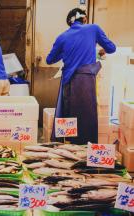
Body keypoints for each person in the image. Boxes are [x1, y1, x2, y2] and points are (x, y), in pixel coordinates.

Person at [47, 8, 116, 145]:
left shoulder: (63, 37)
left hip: (68, 82)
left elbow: (49, 60)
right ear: (84, 19)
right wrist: (99, 49)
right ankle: (85, 151)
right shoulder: (94, 29)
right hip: (86, 81)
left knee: (68, 115)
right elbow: (112, 48)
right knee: (86, 119)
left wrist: (66, 52)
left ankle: (67, 148)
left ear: (70, 22)